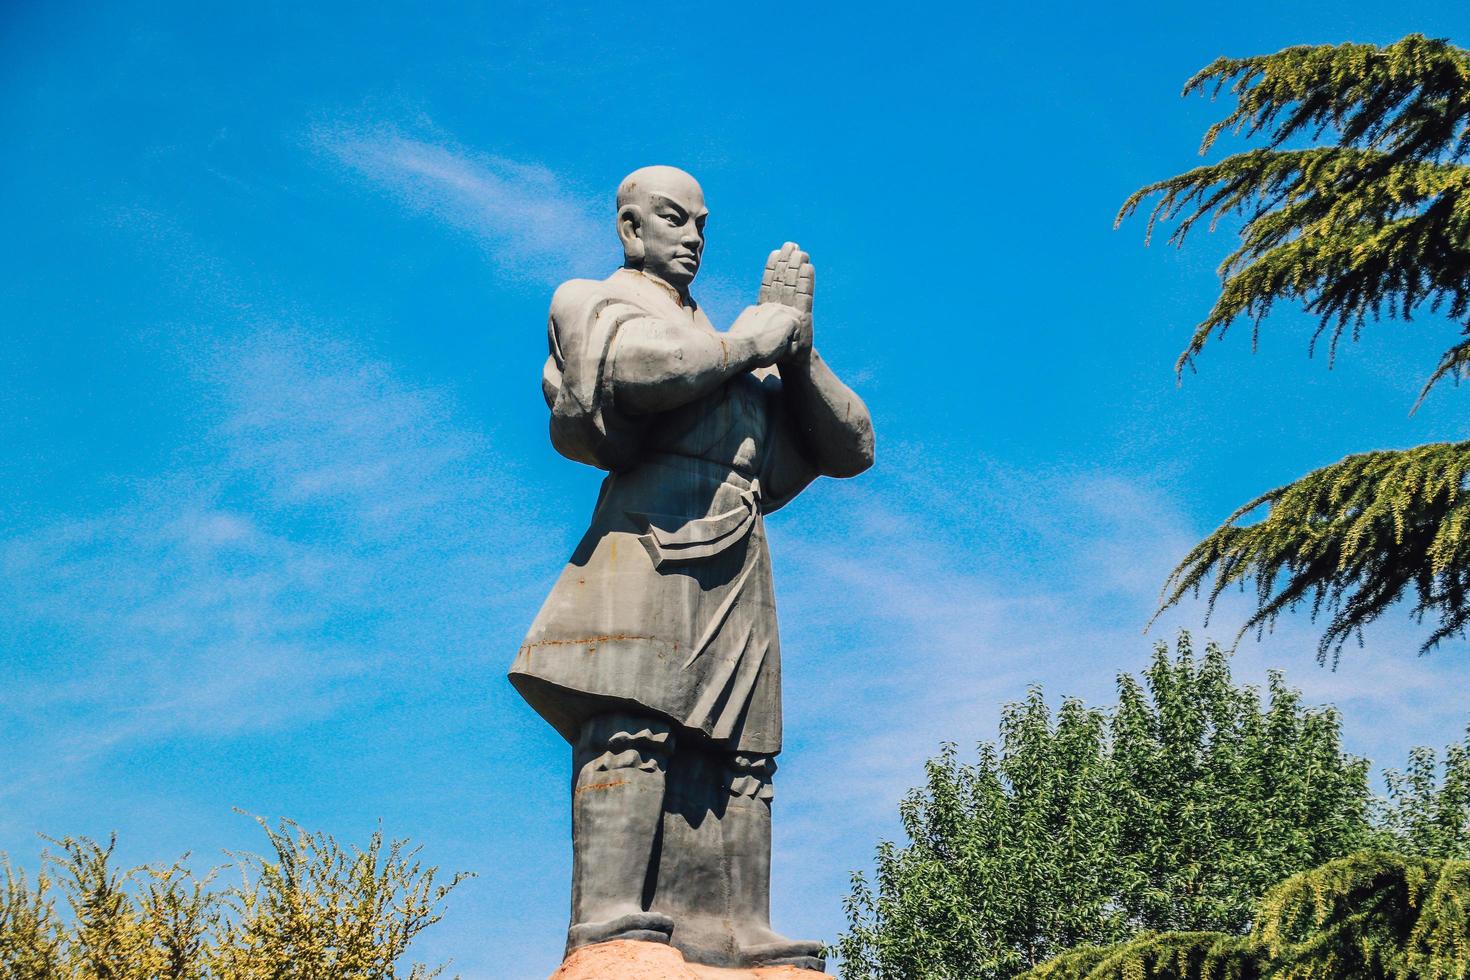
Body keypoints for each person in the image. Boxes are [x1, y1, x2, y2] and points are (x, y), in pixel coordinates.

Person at [511, 165, 873, 971]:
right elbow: (640, 372)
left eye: (701, 223)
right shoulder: (592, 300)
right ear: (631, 229)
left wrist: (799, 349)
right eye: (673, 219)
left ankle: (736, 927)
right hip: (649, 534)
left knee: (744, 755)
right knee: (631, 727)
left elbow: (853, 447)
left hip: (737, 553)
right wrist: (753, 336)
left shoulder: (734, 358)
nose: (693, 237)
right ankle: (608, 918)